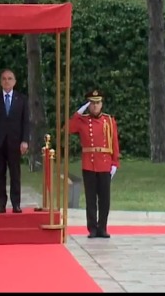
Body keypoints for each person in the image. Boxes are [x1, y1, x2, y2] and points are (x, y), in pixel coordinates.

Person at [68, 89, 121, 238]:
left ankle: (102, 227)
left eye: (97, 103)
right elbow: (69, 128)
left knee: (104, 198)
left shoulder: (109, 121)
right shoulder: (83, 120)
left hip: (104, 163)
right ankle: (92, 228)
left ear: (102, 104)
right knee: (91, 198)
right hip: (89, 163)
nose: (95, 106)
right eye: (92, 103)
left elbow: (114, 142)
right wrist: (79, 112)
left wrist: (115, 163)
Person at [0, 69, 29, 213]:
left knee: (15, 174)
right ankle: (1, 204)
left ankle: (16, 204)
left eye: (10, 78)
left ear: (15, 82)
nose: (7, 81)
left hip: (15, 142)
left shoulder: (21, 99)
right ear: (0, 81)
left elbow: (25, 122)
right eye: (4, 78)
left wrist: (25, 140)